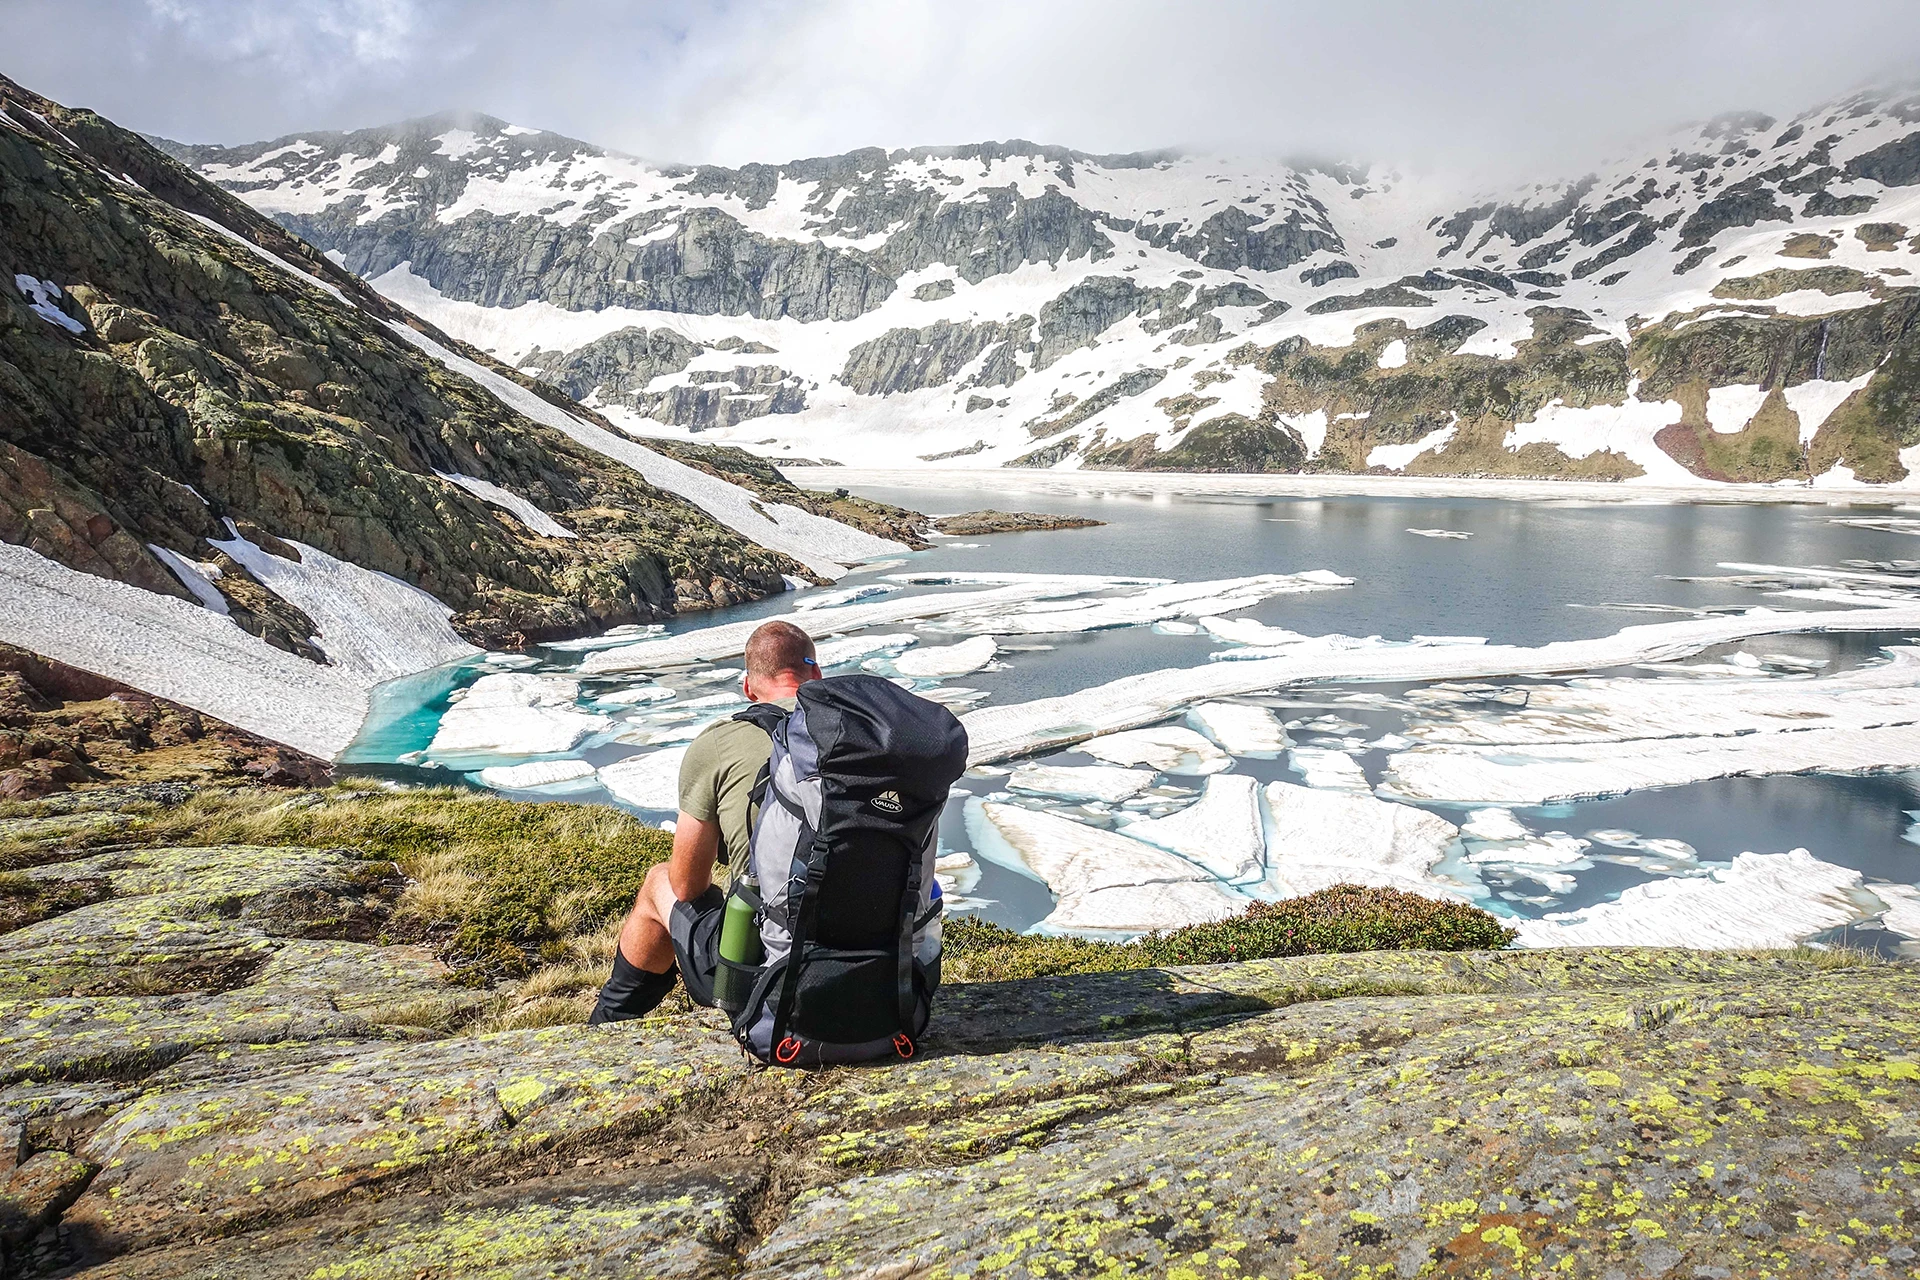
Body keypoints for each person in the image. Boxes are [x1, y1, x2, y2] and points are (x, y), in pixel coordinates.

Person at [588, 619, 821, 1024]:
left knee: (660, 882)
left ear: (749, 687)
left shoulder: (721, 742)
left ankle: (611, 1020)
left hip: (767, 972)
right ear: (816, 674)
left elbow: (688, 885)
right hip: (882, 962)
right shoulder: (861, 734)